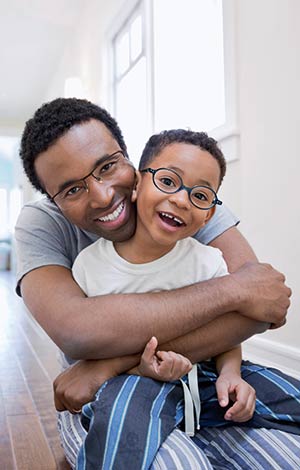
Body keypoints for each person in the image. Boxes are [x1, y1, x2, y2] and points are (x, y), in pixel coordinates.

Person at [15, 98, 295, 469]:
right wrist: (234, 290)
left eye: (108, 166)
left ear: (132, 160)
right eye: (72, 190)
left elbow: (263, 304)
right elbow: (77, 332)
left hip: (199, 377)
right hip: (103, 395)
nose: (102, 196)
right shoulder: (44, 227)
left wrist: (110, 363)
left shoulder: (180, 193)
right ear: (53, 201)